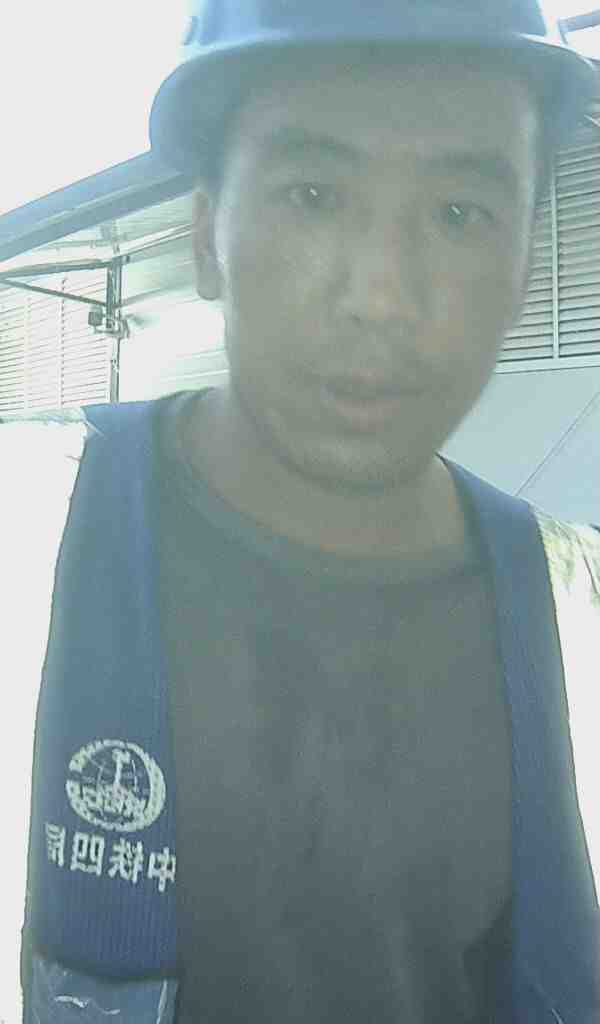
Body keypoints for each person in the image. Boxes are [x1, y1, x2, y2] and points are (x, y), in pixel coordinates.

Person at [10, 2, 600, 1022]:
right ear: (207, 236)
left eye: (459, 214)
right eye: (315, 195)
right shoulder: (25, 547)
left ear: (522, 268)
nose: (382, 296)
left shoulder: (577, 621)